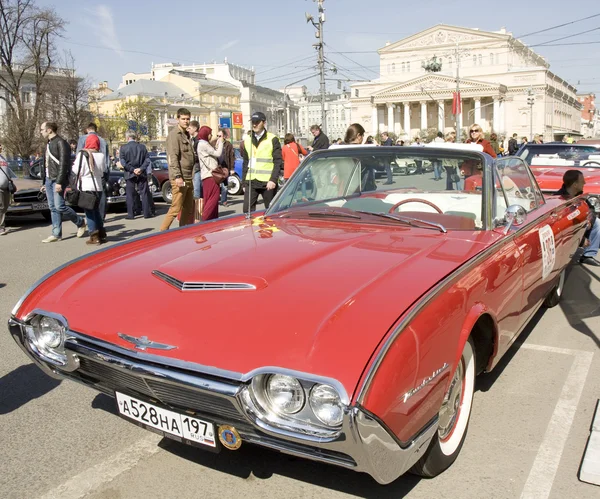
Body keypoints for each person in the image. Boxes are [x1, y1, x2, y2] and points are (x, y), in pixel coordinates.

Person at [40, 122, 87, 243]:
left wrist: (60, 182)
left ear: (49, 130)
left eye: (42, 129)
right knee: (52, 207)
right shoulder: (48, 143)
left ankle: (80, 222)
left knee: (59, 206)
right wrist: (44, 182)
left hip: (57, 179)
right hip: (49, 179)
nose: (41, 132)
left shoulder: (61, 143)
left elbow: (63, 164)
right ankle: (56, 233)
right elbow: (46, 164)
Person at [554, 170, 600, 266]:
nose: (584, 183)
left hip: (582, 223)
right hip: (568, 230)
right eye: (582, 180)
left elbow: (590, 209)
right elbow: (566, 223)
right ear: (575, 184)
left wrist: (589, 220)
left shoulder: (580, 195)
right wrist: (582, 240)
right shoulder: (559, 199)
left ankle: (588, 255)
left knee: (598, 223)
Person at [159, 108, 195, 230]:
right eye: (183, 119)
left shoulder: (186, 134)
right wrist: (178, 176)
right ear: (178, 119)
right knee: (176, 208)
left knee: (188, 208)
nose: (186, 121)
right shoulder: (175, 135)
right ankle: (162, 233)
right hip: (180, 177)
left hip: (189, 176)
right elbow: (173, 157)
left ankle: (183, 231)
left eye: (188, 119)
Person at [241, 111, 283, 213]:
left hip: (267, 182)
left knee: (270, 212)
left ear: (263, 123)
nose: (254, 124)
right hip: (251, 181)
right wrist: (244, 183)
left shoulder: (272, 139)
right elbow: (246, 162)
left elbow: (278, 161)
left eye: (257, 122)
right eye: (253, 122)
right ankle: (251, 229)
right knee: (247, 212)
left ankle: (270, 229)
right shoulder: (247, 139)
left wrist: (273, 180)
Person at [72, 134, 106, 244]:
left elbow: (76, 170)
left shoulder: (82, 154)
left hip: (86, 186)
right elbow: (103, 170)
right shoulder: (101, 155)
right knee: (96, 211)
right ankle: (102, 233)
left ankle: (94, 236)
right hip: (98, 186)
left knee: (89, 212)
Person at [77, 123, 111, 220]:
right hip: (101, 170)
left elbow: (79, 155)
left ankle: (91, 218)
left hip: (87, 172)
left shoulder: (83, 139)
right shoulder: (103, 140)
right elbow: (107, 159)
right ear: (96, 129)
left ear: (87, 129)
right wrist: (106, 172)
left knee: (88, 196)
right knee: (101, 193)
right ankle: (101, 216)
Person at [119, 130, 152, 219]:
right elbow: (148, 160)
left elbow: (123, 162)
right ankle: (146, 213)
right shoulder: (142, 147)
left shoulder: (123, 148)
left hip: (130, 173)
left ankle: (131, 214)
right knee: (144, 193)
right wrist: (141, 169)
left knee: (130, 194)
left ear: (127, 137)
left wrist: (133, 170)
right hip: (141, 173)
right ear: (135, 137)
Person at [197, 126, 224, 221]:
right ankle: (205, 220)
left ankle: (212, 221)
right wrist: (221, 142)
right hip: (210, 175)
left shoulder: (203, 144)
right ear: (205, 134)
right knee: (213, 199)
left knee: (209, 199)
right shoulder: (203, 144)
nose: (211, 136)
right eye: (210, 134)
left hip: (207, 176)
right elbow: (218, 154)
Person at [218, 128, 235, 207]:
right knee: (216, 185)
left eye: (220, 136)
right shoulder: (215, 143)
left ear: (224, 136)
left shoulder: (228, 145)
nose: (218, 137)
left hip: (225, 168)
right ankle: (216, 200)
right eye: (217, 136)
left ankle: (224, 201)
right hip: (217, 168)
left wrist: (231, 168)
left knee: (224, 186)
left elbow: (232, 157)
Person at [189, 120, 202, 221]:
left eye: (189, 128)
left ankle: (198, 217)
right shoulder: (192, 139)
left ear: (194, 128)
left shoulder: (198, 141)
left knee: (197, 193)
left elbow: (199, 156)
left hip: (198, 168)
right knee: (196, 191)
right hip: (195, 168)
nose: (188, 130)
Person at [0, 143, 11, 236]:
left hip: (6, 187)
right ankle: (1, 227)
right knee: (1, 207)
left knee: (5, 207)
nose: (1, 147)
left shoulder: (3, 158)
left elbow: (7, 171)